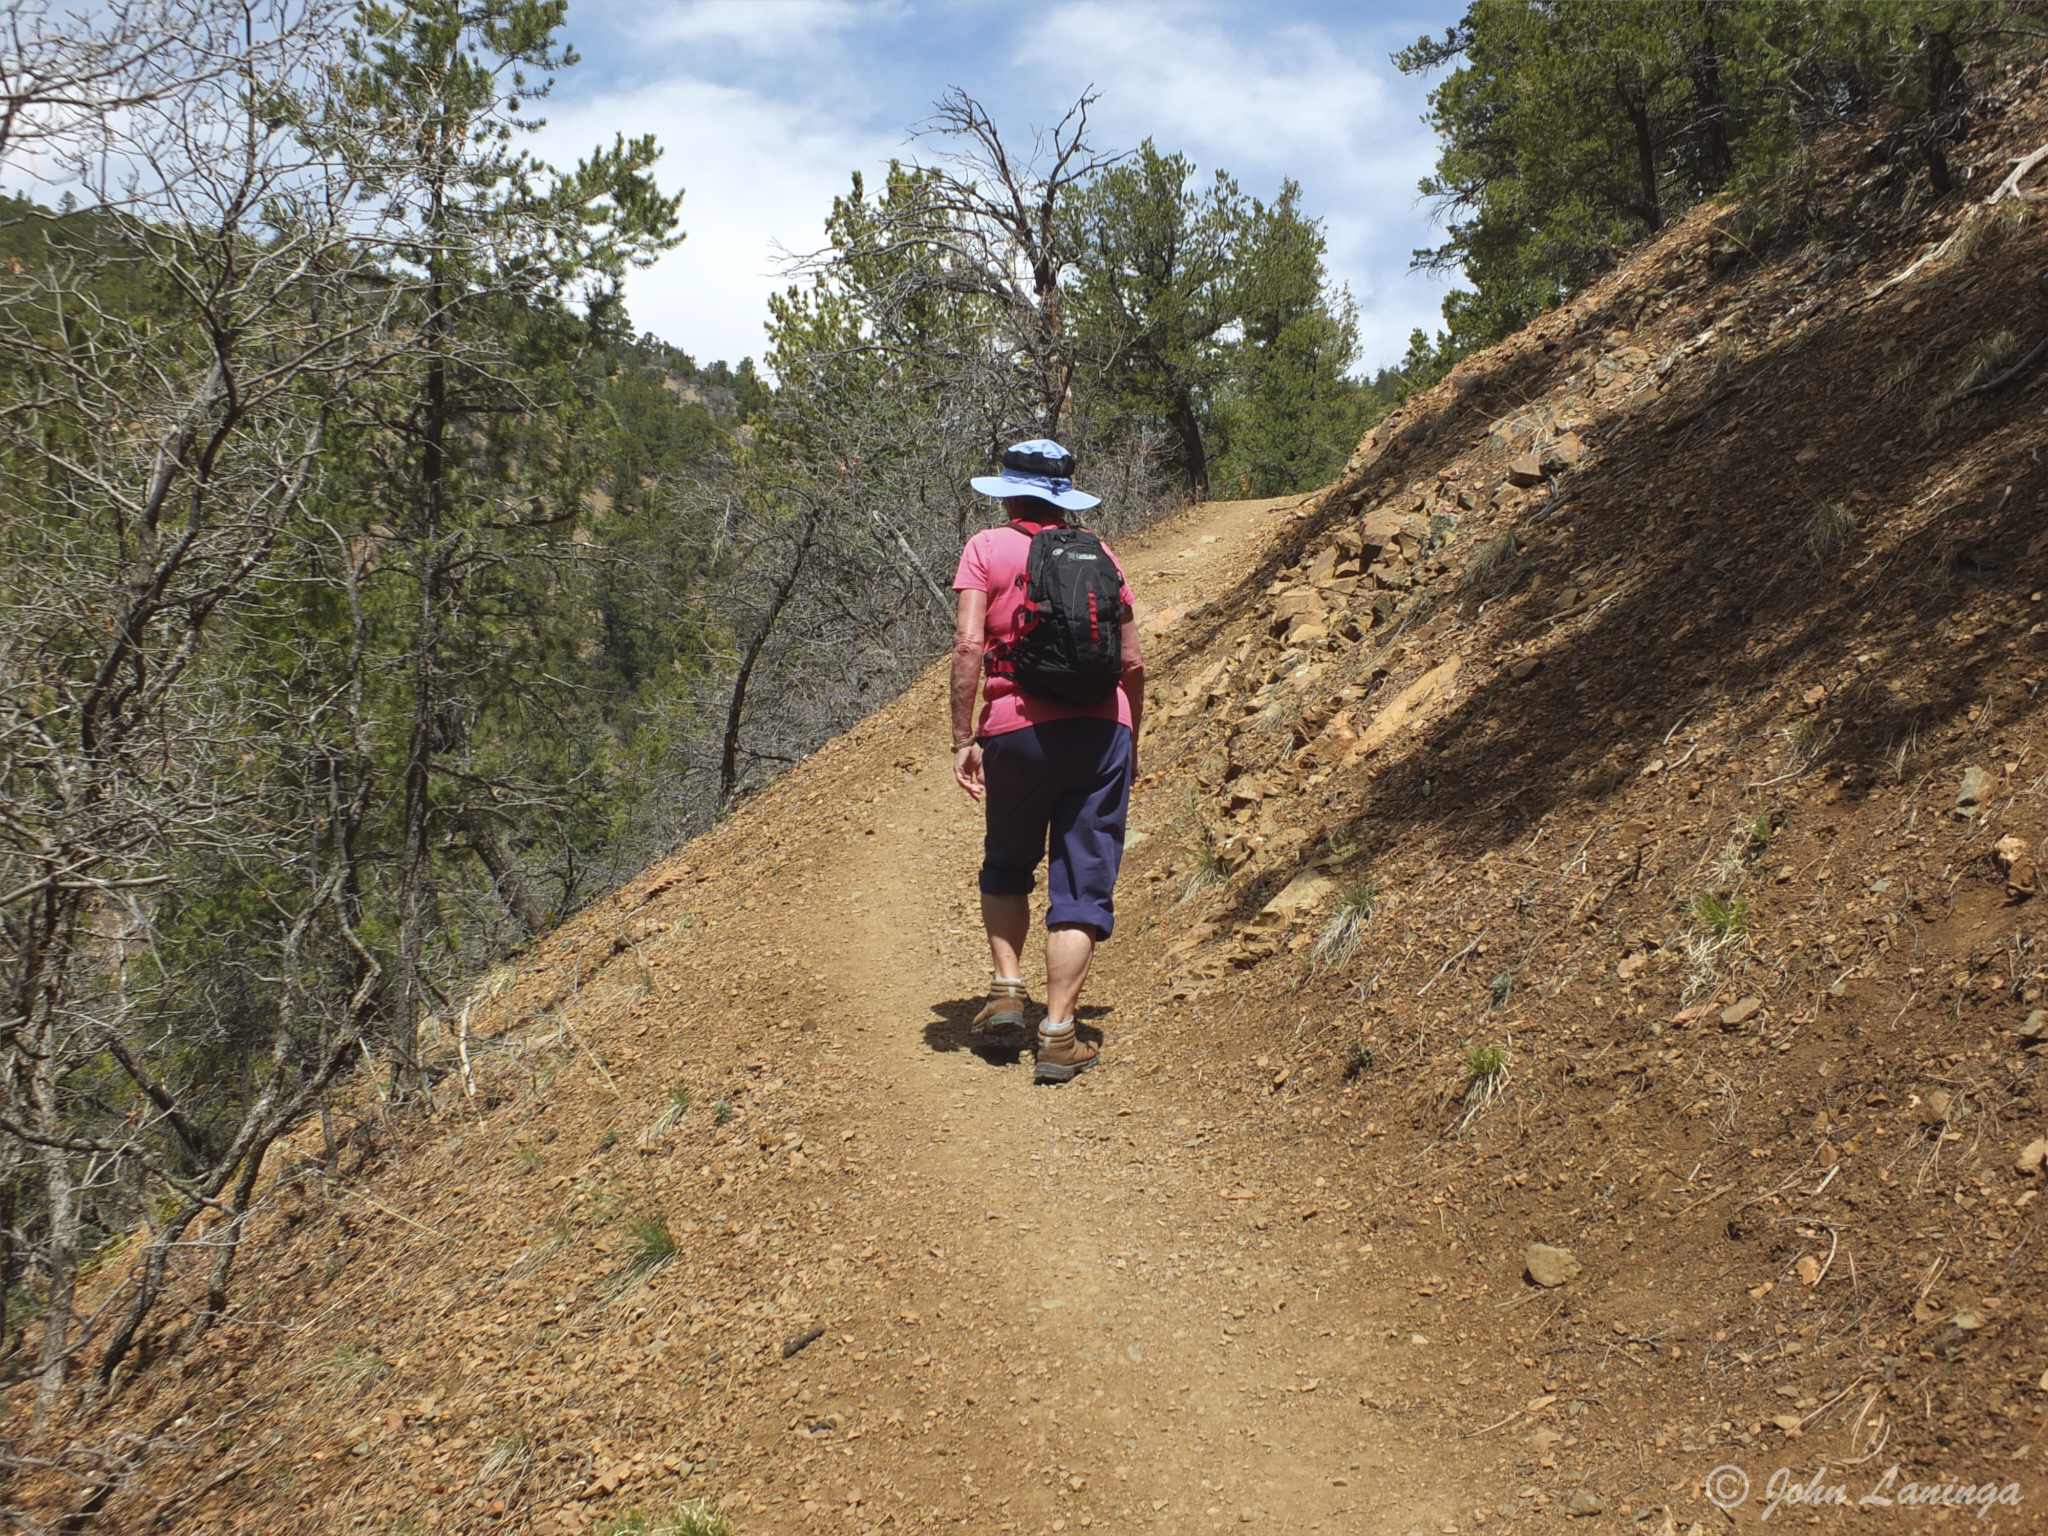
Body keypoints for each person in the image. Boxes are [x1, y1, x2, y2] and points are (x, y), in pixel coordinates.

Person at [950, 439, 1144, 1083]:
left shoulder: (987, 548)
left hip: (1016, 731)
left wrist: (963, 737)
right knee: (1081, 883)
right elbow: (1133, 662)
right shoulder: (1102, 554)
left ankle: (1008, 990)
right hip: (1101, 730)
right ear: (1065, 498)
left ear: (1008, 492)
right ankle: (1058, 1033)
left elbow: (969, 645)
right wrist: (1131, 738)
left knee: (1007, 862)